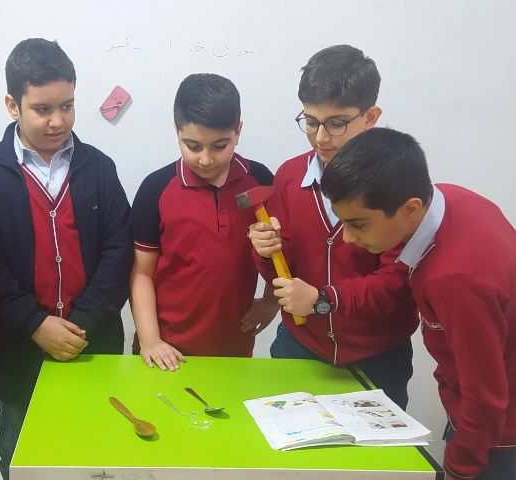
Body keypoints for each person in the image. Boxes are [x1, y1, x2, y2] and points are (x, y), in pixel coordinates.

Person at [0, 38, 132, 478]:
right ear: (12, 105)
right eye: (42, 109)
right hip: (16, 350)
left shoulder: (99, 168)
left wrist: (80, 324)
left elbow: (118, 252)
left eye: (67, 106)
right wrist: (35, 324)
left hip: (92, 344)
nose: (58, 121)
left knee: (96, 456)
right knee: (23, 457)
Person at [321, 127, 516, 480]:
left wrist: (460, 468)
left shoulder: (455, 279)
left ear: (410, 208)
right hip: (481, 414)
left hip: (499, 437)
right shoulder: (450, 198)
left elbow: (485, 396)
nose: (347, 238)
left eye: (358, 224)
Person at [247, 45, 417, 408]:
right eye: (310, 121)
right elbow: (283, 274)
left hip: (377, 354)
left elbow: (397, 282)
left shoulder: (397, 181)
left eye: (336, 123)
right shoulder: (290, 176)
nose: (321, 138)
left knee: (375, 447)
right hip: (301, 345)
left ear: (371, 116)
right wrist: (265, 251)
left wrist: (324, 300)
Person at [130, 73, 276, 371]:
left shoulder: (260, 181)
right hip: (165, 349)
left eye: (220, 145)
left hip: (234, 348)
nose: (206, 159)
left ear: (238, 131)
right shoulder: (156, 189)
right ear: (177, 131)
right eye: (193, 146)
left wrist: (271, 302)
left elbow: (279, 250)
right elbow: (142, 273)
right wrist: (150, 340)